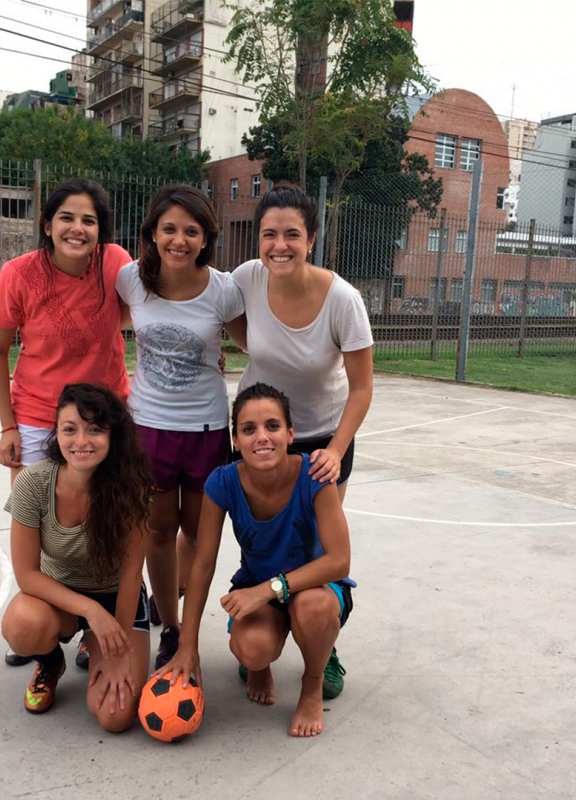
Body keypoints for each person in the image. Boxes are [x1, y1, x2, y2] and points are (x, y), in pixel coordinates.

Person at [230, 184, 373, 696]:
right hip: (263, 433)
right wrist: (253, 355)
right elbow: (217, 308)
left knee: (317, 552)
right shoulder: (247, 279)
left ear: (311, 239)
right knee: (263, 541)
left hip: (321, 437)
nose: (279, 245)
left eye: (292, 234)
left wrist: (334, 451)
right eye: (269, 234)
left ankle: (322, 647)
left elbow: (362, 389)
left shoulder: (343, 300)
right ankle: (259, 633)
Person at [0, 177, 133, 667]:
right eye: (66, 218)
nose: (77, 228)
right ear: (47, 225)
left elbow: (151, 312)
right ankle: (41, 633)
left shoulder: (114, 263)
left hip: (105, 418)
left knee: (105, 516)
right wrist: (8, 426)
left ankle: (101, 624)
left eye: (89, 220)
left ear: (101, 230)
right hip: (36, 416)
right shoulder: (18, 273)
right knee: (40, 524)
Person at [156, 383, 354, 738]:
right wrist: (188, 646)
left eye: (272, 426)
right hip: (259, 590)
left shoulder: (315, 475)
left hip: (314, 587)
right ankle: (260, 665)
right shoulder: (223, 482)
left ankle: (311, 684)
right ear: (235, 440)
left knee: (313, 608)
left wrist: (267, 590)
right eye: (249, 429)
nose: (262, 437)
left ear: (291, 433)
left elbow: (339, 561)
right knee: (253, 649)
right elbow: (202, 564)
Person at [116, 185, 246, 670]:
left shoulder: (223, 289)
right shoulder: (131, 280)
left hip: (208, 428)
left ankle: (179, 601)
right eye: (168, 229)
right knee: (157, 529)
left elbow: (257, 343)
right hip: (148, 427)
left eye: (191, 231)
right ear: (152, 233)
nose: (179, 239)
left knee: (197, 532)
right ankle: (170, 625)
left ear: (206, 238)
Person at [0, 384, 152, 731]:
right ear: (57, 433)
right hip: (61, 596)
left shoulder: (132, 487)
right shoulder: (33, 484)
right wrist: (89, 610)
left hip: (116, 599)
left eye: (95, 430)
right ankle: (51, 663)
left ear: (113, 436)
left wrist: (116, 650)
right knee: (21, 625)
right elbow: (26, 575)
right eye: (70, 429)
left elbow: (131, 576)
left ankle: (95, 643)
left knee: (115, 717)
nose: (81, 441)